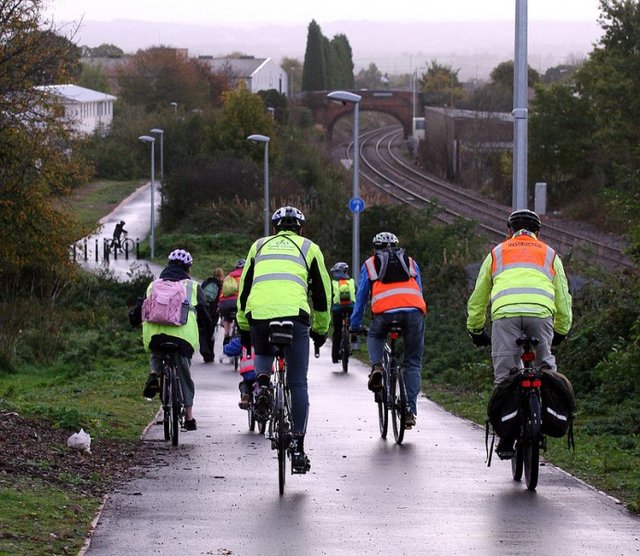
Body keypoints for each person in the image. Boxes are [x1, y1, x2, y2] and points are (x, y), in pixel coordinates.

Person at [466, 209, 572, 460]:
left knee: (505, 378)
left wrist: (476, 329)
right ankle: (546, 418)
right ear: (539, 232)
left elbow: (479, 297)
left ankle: (506, 436)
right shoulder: (550, 254)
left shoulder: (497, 253)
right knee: (546, 370)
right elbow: (563, 298)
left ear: (509, 231)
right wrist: (561, 330)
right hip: (540, 314)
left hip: (506, 315)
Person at [236, 206, 331, 473]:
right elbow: (323, 295)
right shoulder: (309, 248)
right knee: (298, 382)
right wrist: (321, 330)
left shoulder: (259, 246)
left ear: (275, 229)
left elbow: (245, 288)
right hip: (295, 317)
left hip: (260, 314)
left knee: (264, 351)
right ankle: (299, 448)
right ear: (301, 230)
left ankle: (263, 384)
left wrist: (245, 324)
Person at [350, 232, 427, 428]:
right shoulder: (410, 262)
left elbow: (361, 297)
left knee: (375, 336)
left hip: (384, 313)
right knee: (413, 363)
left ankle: (377, 366)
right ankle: (410, 409)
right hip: (413, 312)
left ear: (375, 249)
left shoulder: (369, 264)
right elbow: (418, 290)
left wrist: (355, 324)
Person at [138, 249, 213, 431]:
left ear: (168, 265)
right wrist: (207, 330)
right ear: (188, 268)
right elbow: (203, 313)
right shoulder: (193, 287)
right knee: (184, 372)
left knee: (156, 350)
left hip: (156, 335)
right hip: (183, 338)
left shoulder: (153, 285)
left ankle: (155, 373)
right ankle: (189, 416)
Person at [329, 262, 357, 364]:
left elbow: (330, 297)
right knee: (353, 325)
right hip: (351, 308)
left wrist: (330, 307)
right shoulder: (352, 282)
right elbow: (357, 294)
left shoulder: (333, 283)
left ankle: (335, 356)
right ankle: (354, 340)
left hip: (337, 309)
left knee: (337, 331)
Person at [223, 335, 258, 410]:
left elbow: (228, 350)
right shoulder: (266, 336)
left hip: (248, 371)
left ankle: (245, 393)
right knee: (265, 382)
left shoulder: (243, 339)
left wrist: (225, 344)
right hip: (264, 369)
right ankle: (268, 392)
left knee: (244, 384)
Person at [218, 259, 245, 352]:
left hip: (225, 304)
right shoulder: (247, 276)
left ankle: (227, 333)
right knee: (242, 319)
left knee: (227, 317)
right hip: (239, 303)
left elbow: (222, 293)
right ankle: (241, 336)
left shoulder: (228, 277)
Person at [200, 267, 224, 362]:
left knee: (202, 330)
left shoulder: (206, 283)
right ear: (221, 275)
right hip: (214, 311)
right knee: (211, 331)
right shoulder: (221, 285)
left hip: (204, 309)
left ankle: (204, 350)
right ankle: (210, 354)